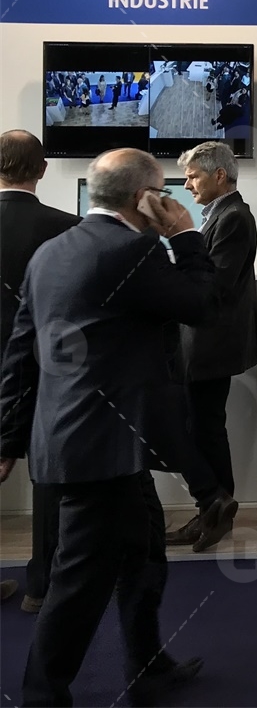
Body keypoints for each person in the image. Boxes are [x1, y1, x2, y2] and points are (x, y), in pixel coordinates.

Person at [0, 148, 215, 706]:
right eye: (162, 193)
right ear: (145, 198)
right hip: (100, 448)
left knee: (145, 552)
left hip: (89, 442)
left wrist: (8, 438)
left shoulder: (51, 251)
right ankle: (42, 695)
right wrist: (186, 235)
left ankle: (147, 664)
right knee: (78, 581)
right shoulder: (133, 251)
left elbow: (20, 352)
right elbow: (201, 304)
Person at [164, 141, 257, 552]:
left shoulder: (234, 217)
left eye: (193, 176)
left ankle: (216, 510)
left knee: (203, 429)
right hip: (203, 342)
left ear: (219, 175)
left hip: (210, 344)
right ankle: (213, 509)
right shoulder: (221, 215)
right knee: (201, 428)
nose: (187, 185)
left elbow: (214, 284)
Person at [0, 130, 81, 612]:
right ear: (44, 169)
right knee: (47, 474)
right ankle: (41, 584)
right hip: (47, 365)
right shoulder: (68, 228)